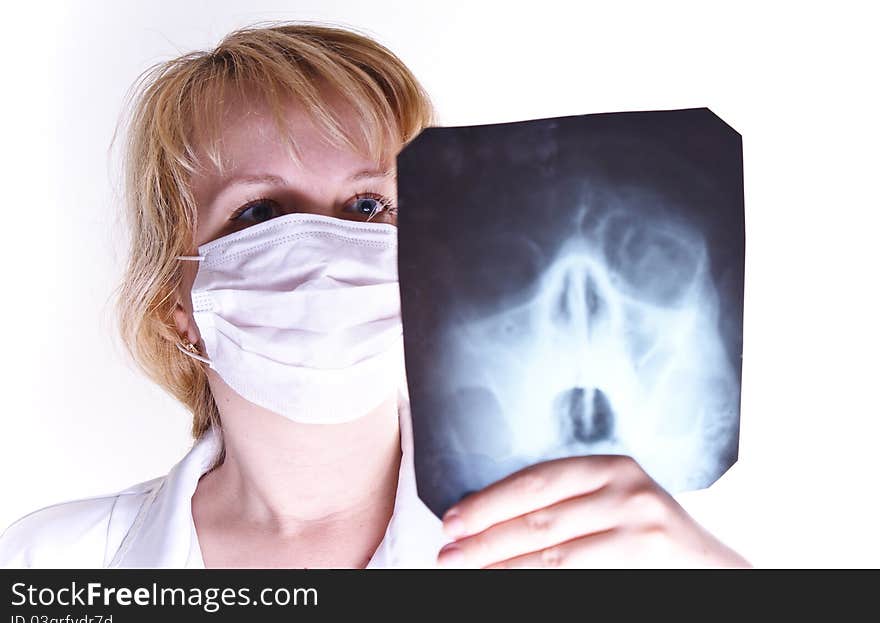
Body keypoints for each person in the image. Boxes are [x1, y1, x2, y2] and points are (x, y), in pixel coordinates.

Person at [0, 22, 749, 568]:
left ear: (432, 255)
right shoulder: (56, 568)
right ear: (177, 303)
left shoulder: (585, 548)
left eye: (367, 206)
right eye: (259, 212)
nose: (326, 251)